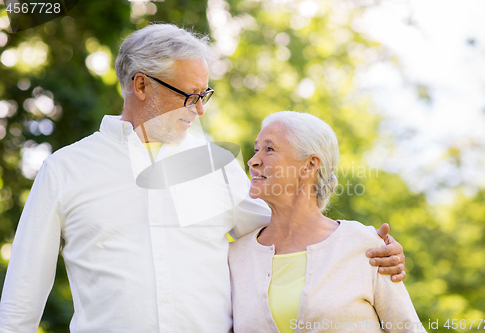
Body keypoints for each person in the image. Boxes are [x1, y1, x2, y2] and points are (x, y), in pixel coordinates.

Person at [0, 24, 405, 332]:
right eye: (189, 95)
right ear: (141, 85)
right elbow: (22, 294)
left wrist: (365, 247)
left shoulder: (216, 164)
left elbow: (288, 231)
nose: (200, 110)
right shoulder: (67, 169)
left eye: (204, 94)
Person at [229, 111, 425, 333]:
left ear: (310, 165)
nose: (253, 161)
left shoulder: (365, 246)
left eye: (269, 149)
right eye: (256, 150)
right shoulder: (236, 257)